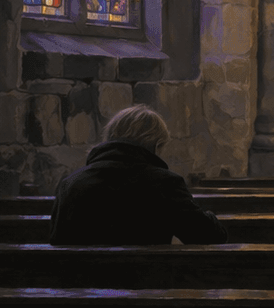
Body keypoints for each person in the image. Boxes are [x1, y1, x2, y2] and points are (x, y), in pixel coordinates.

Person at [49, 104, 226, 245]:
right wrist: (208, 216)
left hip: (80, 287)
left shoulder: (70, 183)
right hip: (147, 286)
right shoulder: (165, 183)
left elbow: (57, 240)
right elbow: (208, 236)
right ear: (156, 146)